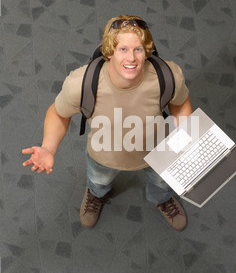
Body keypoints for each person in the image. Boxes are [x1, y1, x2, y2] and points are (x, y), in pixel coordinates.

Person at [22, 15, 193, 231]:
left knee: (161, 183)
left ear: (147, 50)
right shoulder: (81, 83)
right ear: (110, 51)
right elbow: (58, 113)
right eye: (123, 49)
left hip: (158, 153)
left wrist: (186, 137)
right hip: (103, 155)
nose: (131, 58)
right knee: (98, 182)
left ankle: (162, 198)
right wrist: (48, 147)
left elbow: (180, 104)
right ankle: (96, 195)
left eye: (138, 49)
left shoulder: (168, 76)